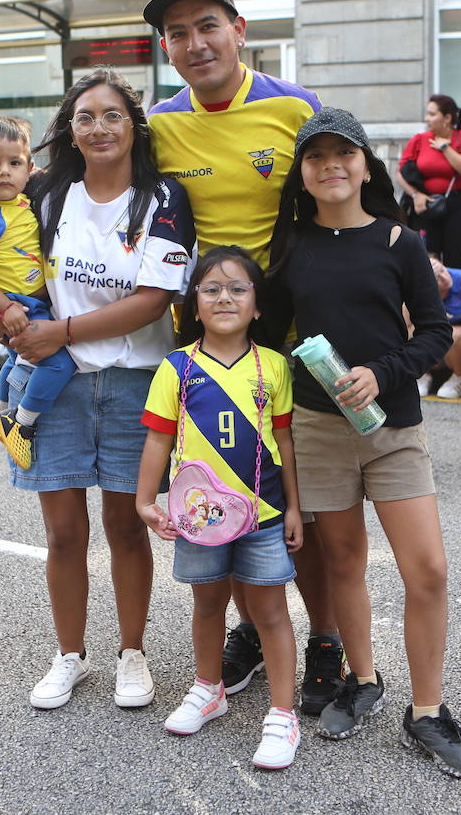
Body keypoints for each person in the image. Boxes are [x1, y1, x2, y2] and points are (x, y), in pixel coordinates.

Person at [266, 107, 461, 779]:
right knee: (344, 565)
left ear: (366, 164)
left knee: (429, 571)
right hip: (315, 430)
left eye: (344, 153)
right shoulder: (292, 248)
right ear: (302, 175)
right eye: (316, 156)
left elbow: (435, 330)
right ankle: (364, 679)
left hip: (394, 429)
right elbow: (270, 341)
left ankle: (426, 712)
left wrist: (379, 372)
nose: (331, 165)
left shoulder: (400, 242)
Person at [144, 0, 342, 713]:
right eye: (177, 34)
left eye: (207, 26)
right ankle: (254, 634)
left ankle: (322, 640)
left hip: (289, 344)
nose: (195, 44)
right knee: (215, 499)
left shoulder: (295, 108)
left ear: (239, 29)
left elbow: (339, 192)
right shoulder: (160, 124)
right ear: (166, 47)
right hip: (199, 352)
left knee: (300, 506)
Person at [0, 69, 195, 712]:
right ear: (70, 130)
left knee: (125, 526)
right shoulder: (46, 195)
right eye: (86, 116)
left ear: (134, 125)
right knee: (60, 531)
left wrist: (62, 330)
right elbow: (5, 264)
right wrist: (7, 316)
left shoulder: (162, 197)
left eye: (112, 115)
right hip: (57, 386)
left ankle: (131, 656)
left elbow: (154, 300)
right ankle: (69, 656)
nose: (100, 126)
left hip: (138, 383)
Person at [135, 246, 304, 769]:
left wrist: (295, 507)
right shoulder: (176, 367)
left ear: (257, 306)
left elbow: (286, 441)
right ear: (192, 306)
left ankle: (282, 714)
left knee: (270, 610)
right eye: (210, 289)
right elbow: (159, 441)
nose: (224, 297)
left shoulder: (273, 366)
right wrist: (146, 499)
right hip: (198, 515)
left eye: (238, 288)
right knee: (207, 605)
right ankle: (209, 687)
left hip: (264, 514)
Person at [0, 115, 75, 470]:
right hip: (19, 304)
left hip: (27, 301)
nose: (4, 172)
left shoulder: (15, 202)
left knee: (13, 359)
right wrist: (4, 307)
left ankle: (0, 412)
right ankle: (21, 423)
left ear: (29, 169)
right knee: (60, 362)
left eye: (14, 163)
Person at [396, 95, 461, 269]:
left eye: (432, 114)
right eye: (427, 114)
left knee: (454, 262)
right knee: (426, 260)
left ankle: (454, 294)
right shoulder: (419, 139)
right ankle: (430, 296)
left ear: (447, 118)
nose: (427, 119)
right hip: (425, 205)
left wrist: (445, 148)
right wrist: (416, 195)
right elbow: (400, 173)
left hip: (457, 206)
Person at [419, 253, 461, 399]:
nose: (444, 277)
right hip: (431, 340)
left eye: (443, 270)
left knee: (453, 334)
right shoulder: (420, 291)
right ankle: (423, 375)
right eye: (437, 278)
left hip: (460, 338)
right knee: (410, 329)